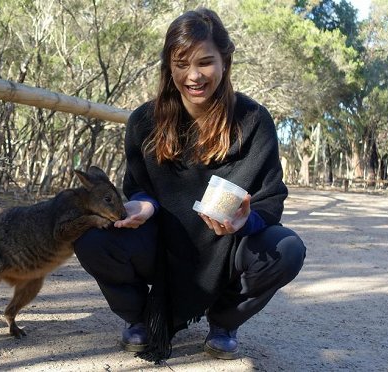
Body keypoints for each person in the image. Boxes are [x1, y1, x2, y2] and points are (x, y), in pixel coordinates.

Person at [74, 7, 306, 363]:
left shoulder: (254, 121)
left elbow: (271, 200)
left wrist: (246, 222)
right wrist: (142, 205)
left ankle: (224, 322)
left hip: (228, 247)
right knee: (91, 239)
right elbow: (138, 186)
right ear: (169, 65)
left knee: (287, 249)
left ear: (225, 61)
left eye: (205, 62)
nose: (193, 75)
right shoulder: (143, 121)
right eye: (181, 63)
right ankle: (140, 319)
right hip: (162, 244)